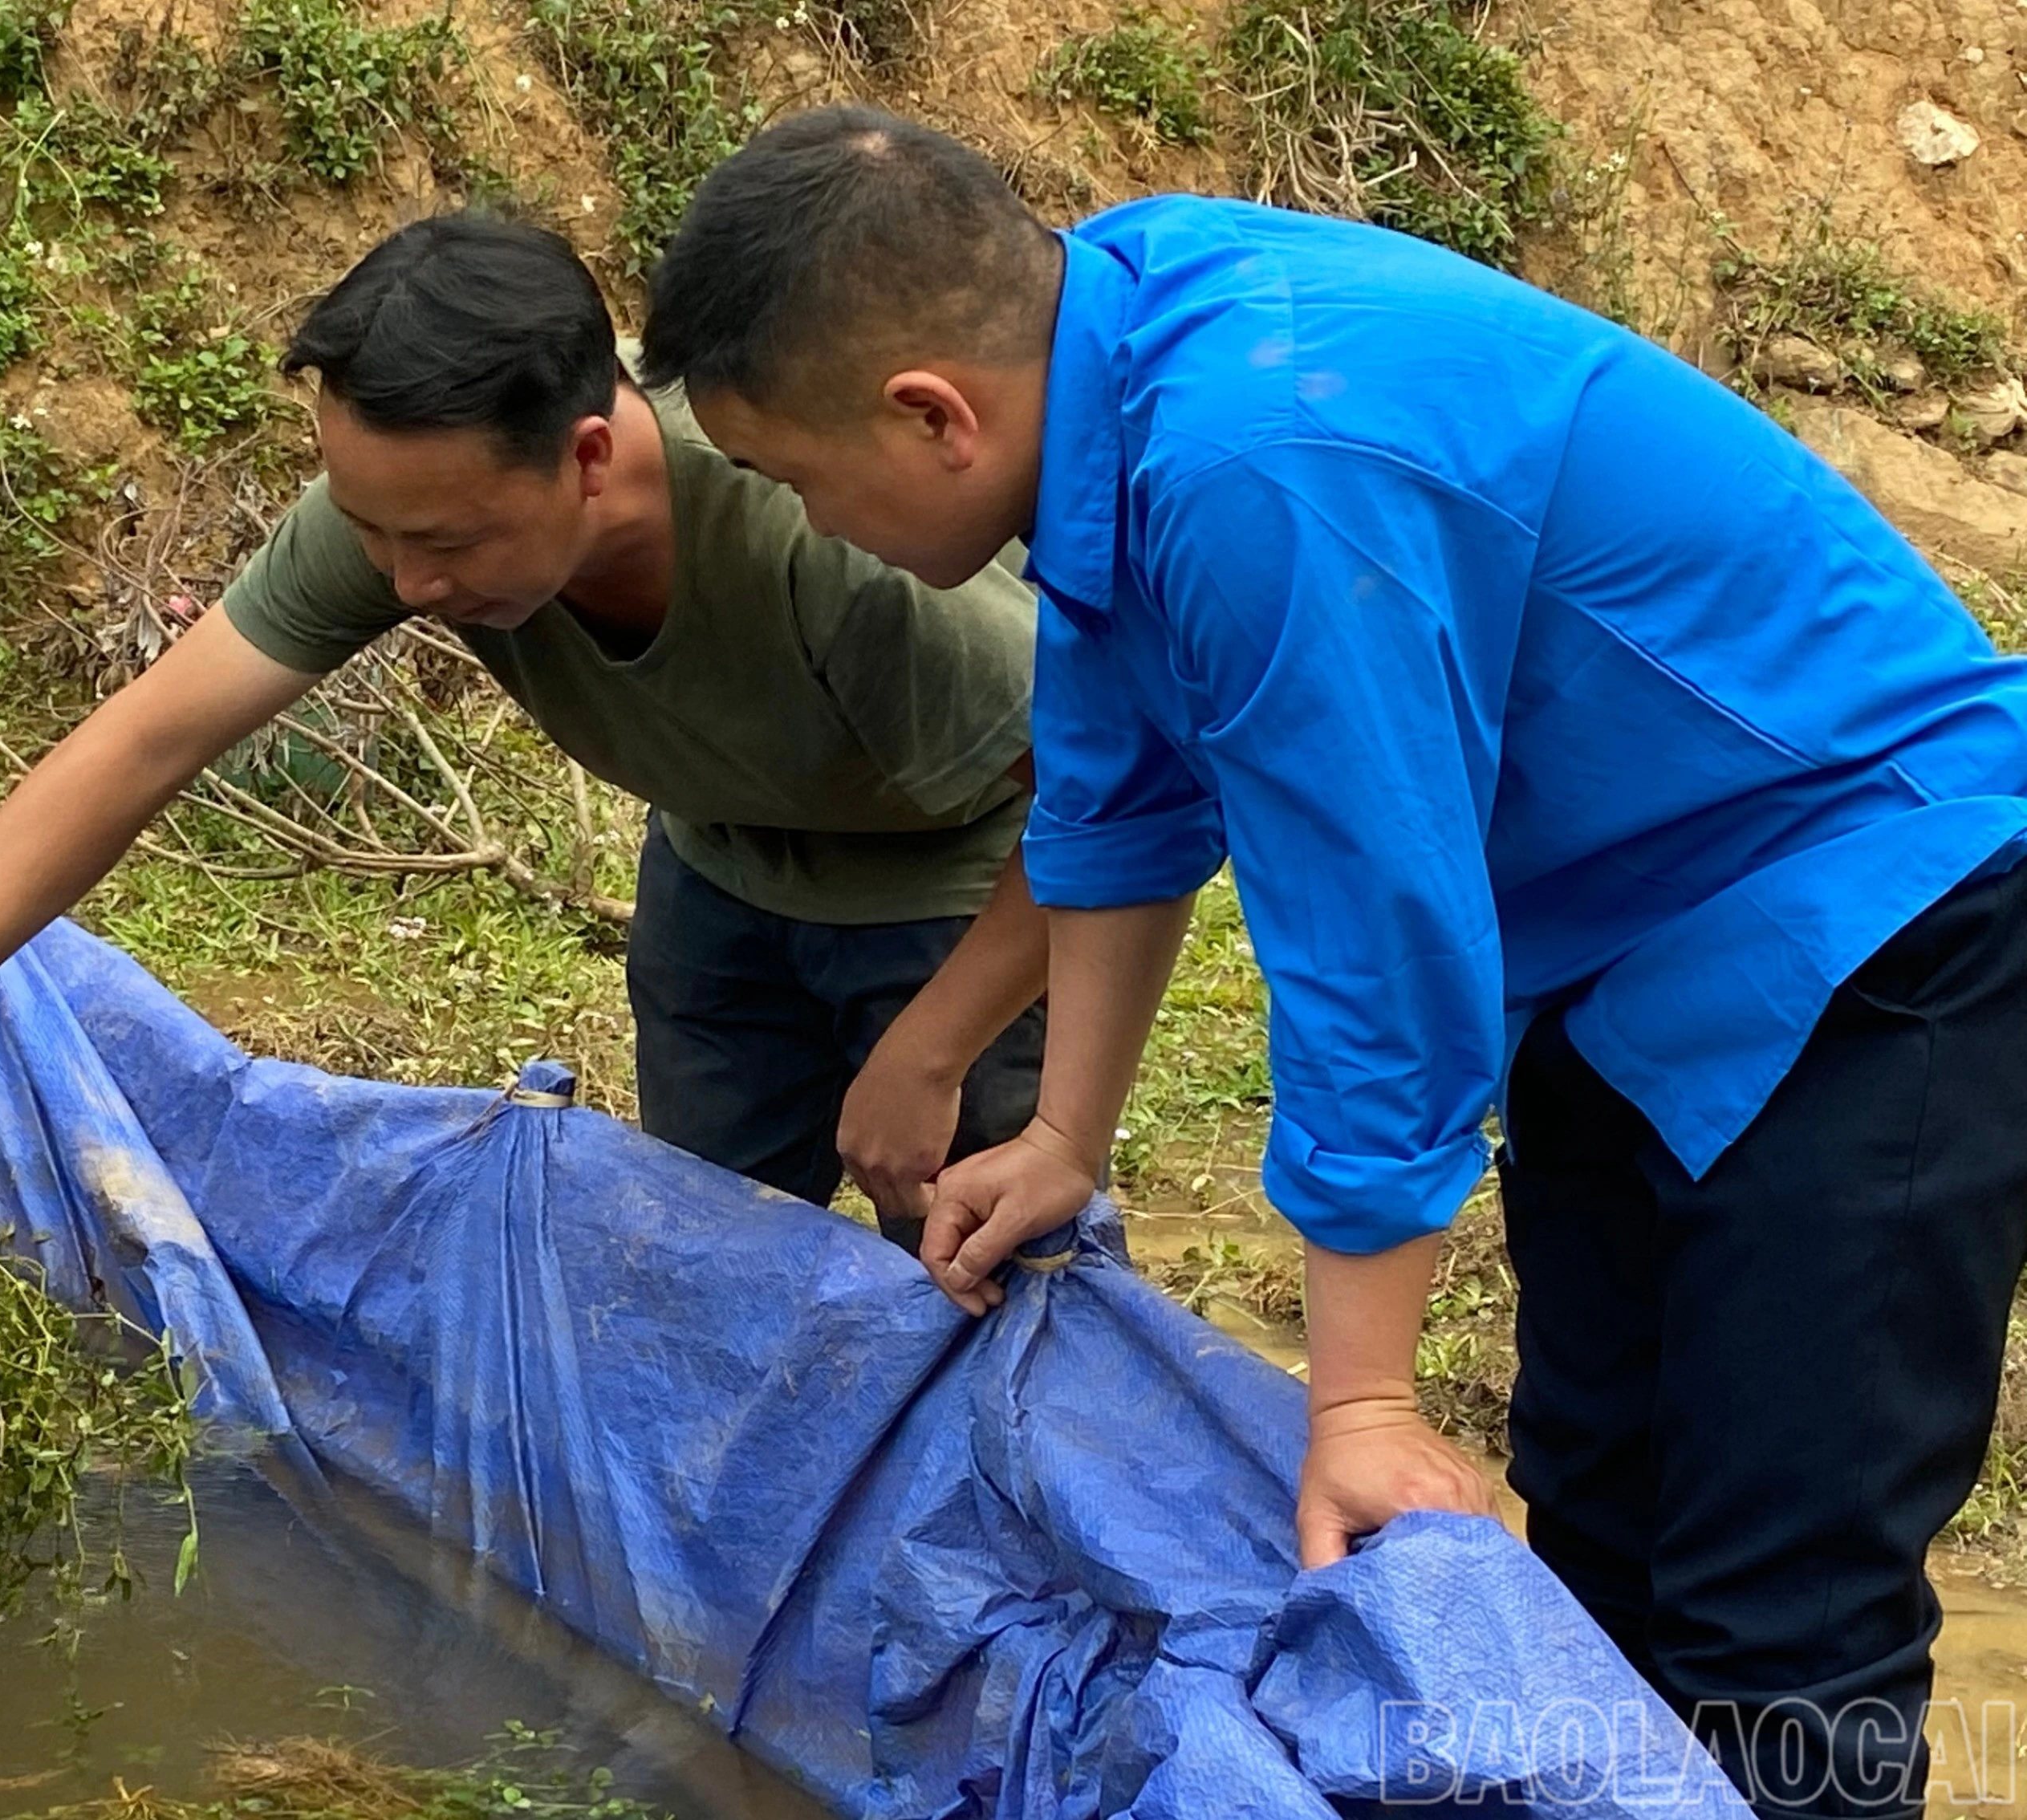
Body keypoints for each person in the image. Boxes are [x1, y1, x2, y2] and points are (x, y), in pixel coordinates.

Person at [639, 106, 2027, 1819]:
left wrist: (1360, 1395)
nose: (805, 522)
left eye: (789, 478)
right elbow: (1123, 790)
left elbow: (1373, 938)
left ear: (932, 414)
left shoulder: (1255, 461)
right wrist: (1065, 1138)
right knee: (1594, 1515)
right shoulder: (1116, 327)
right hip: (1618, 945)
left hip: (1868, 914)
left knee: (1772, 1596)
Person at [0, 213, 1048, 1238]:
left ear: (588, 457)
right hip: (721, 872)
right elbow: (145, 740)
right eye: (373, 534)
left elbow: (1113, 800)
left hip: (958, 886)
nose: (409, 584)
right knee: (699, 1248)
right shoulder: (400, 514)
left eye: (445, 542)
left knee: (964, 1256)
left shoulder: (827, 548)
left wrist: (933, 1048)